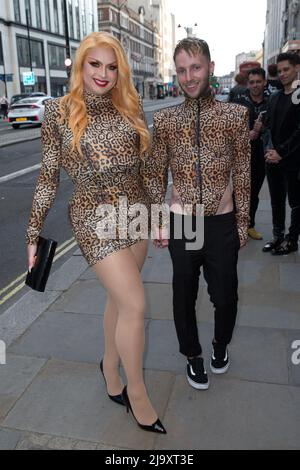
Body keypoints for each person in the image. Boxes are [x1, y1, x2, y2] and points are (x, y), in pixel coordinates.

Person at [26, 32, 166, 434]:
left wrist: (157, 214)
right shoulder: (57, 111)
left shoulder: (130, 106)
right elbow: (48, 177)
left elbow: (148, 168)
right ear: (80, 64)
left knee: (120, 300)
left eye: (111, 66)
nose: (103, 74)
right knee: (136, 305)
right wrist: (32, 232)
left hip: (135, 210)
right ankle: (137, 395)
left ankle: (110, 367)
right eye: (95, 64)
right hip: (92, 216)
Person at [142, 38, 251, 390]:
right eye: (182, 70)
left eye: (196, 67)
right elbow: (156, 173)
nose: (189, 77)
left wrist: (243, 220)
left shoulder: (235, 116)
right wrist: (158, 220)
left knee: (226, 296)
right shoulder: (166, 120)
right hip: (184, 222)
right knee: (183, 294)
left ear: (210, 67)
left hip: (221, 222)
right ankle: (192, 355)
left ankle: (220, 347)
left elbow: (245, 171)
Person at [262, 52, 300, 255]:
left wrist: (281, 153)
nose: (283, 74)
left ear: (296, 68)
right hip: (272, 159)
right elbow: (267, 126)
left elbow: (299, 132)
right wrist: (269, 150)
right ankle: (278, 236)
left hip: (293, 160)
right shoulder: (275, 97)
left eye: (287, 69)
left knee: (295, 202)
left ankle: (292, 240)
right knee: (276, 200)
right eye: (280, 71)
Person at [234, 67, 269, 240]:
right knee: (239, 191)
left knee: (254, 192)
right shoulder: (240, 103)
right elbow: (229, 130)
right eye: (252, 82)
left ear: (264, 82)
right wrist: (246, 134)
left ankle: (250, 225)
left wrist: (263, 129)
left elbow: (276, 128)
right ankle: (234, 225)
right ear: (248, 84)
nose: (255, 85)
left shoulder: (270, 103)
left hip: (260, 156)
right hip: (241, 154)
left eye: (258, 82)